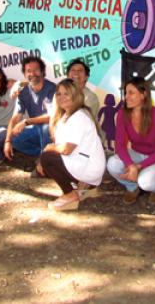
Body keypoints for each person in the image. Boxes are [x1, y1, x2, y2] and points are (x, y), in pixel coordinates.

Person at [38, 79, 106, 211]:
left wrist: (47, 151)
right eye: (59, 94)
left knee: (48, 158)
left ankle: (70, 194)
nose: (61, 97)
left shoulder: (79, 116)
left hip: (89, 167)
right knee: (46, 159)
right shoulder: (66, 115)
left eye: (66, 94)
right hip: (83, 163)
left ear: (75, 95)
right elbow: (60, 144)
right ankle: (85, 186)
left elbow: (66, 149)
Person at [106, 77, 155, 205]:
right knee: (112, 164)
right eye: (125, 93)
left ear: (143, 94)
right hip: (136, 153)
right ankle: (132, 187)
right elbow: (119, 145)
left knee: (146, 181)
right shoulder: (122, 114)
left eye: (131, 92)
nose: (126, 97)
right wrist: (130, 165)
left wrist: (138, 166)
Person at [4, 56, 56, 166]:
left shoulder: (52, 89)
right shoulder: (22, 91)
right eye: (28, 71)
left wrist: (26, 122)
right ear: (24, 74)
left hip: (52, 128)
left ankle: (45, 161)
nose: (32, 74)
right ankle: (44, 154)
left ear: (42, 71)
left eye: (36, 70)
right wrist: (8, 141)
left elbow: (52, 117)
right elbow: (15, 118)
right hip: (35, 128)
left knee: (46, 127)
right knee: (14, 138)